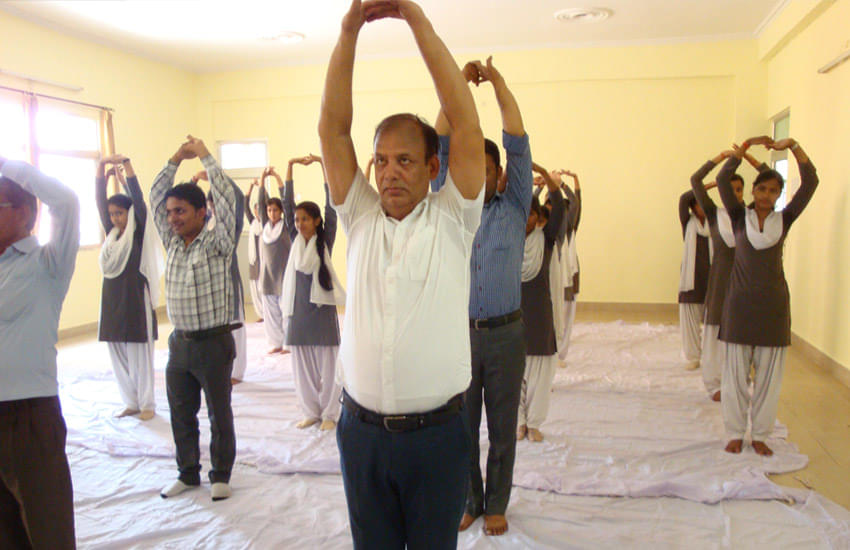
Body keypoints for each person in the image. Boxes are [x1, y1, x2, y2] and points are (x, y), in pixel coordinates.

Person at [319, 1, 485, 547]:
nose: (390, 172)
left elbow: (464, 122)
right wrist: (348, 34)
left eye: (406, 160)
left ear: (433, 167)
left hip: (436, 439)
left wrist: (417, 22)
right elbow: (333, 129)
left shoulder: (454, 216)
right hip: (361, 435)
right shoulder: (360, 216)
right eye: (382, 160)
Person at [432, 55, 533, 537]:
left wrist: (496, 84)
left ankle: (497, 503)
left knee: (502, 427)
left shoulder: (515, 205)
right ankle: (469, 499)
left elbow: (517, 138)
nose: (483, 174)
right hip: (459, 335)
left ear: (498, 175)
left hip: (506, 335)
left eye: (490, 168)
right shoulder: (450, 208)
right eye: (475, 166)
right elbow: (440, 143)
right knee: (461, 428)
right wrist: (453, 93)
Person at [717, 136, 817, 456]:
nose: (766, 195)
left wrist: (793, 146)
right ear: (753, 192)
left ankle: (760, 434)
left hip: (773, 309)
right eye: (762, 189)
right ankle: (735, 431)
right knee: (734, 377)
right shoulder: (737, 217)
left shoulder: (783, 220)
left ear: (778, 195)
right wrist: (743, 149)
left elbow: (811, 182)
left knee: (769, 380)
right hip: (739, 307)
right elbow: (721, 179)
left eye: (774, 190)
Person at [151, 136, 239, 501]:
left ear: (202, 212)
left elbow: (228, 198)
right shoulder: (171, 242)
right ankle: (188, 473)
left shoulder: (219, 242)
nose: (172, 218)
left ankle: (220, 474)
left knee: (219, 414)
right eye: (171, 213)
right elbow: (155, 196)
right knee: (181, 413)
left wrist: (204, 154)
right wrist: (174, 158)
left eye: (180, 212)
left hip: (213, 344)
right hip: (179, 345)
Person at [0, 155, 79, 549]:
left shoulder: (46, 262)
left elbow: (67, 203)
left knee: (48, 533)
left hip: (29, 418)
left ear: (27, 212)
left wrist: (9, 166)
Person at [690, 149, 768, 401]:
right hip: (721, 284)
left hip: (745, 287)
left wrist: (754, 160)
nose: (733, 194)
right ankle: (715, 384)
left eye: (738, 190)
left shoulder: (752, 216)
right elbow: (695, 181)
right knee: (714, 335)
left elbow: (771, 181)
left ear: (745, 193)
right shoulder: (714, 214)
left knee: (740, 339)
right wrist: (724, 158)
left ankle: (738, 380)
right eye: (729, 189)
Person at [95, 155, 163, 420]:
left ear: (130, 213)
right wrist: (100, 169)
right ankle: (131, 401)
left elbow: (138, 198)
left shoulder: (138, 231)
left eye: (119, 213)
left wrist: (127, 166)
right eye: (112, 214)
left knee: (138, 354)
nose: (114, 218)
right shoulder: (111, 236)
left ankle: (147, 404)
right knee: (117, 353)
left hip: (135, 299)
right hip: (111, 301)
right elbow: (99, 202)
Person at [280, 157, 345, 430]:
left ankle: (330, 413)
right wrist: (290, 167)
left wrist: (323, 165)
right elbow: (285, 207)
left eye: (305, 219)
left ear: (317, 221)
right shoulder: (295, 242)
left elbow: (332, 209)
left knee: (329, 368)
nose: (299, 223)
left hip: (321, 313)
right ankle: (311, 411)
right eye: (296, 219)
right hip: (298, 313)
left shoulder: (324, 240)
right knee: (302, 368)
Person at [517, 164, 565, 443]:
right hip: (512, 316)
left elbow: (558, 209)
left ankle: (534, 422)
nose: (526, 219)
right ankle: (519, 422)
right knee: (514, 376)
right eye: (522, 213)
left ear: (537, 217)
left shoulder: (545, 239)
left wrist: (548, 179)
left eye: (531, 214)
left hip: (540, 316)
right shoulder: (505, 241)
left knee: (540, 375)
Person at [198, 170, 247, 385]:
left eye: (221, 202)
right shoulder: (206, 225)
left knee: (234, 324)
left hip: (228, 280)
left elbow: (238, 197)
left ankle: (236, 371)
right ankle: (218, 367)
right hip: (208, 283)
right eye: (214, 203)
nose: (217, 207)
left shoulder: (232, 226)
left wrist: (218, 178)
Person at [258, 166, 292, 354]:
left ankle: (288, 342)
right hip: (268, 277)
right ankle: (276, 342)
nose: (272, 213)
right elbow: (260, 201)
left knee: (286, 310)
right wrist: (262, 179)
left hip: (284, 275)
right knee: (270, 313)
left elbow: (288, 202)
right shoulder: (265, 226)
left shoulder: (286, 226)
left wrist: (278, 178)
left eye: (275, 210)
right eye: (269, 210)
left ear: (280, 212)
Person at [677, 181, 712, 369]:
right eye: (698, 203)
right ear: (693, 207)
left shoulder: (716, 222)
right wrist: (709, 185)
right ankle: (692, 357)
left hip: (712, 278)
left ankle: (710, 356)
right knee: (690, 319)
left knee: (712, 322)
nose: (702, 207)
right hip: (691, 279)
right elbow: (683, 199)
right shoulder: (688, 223)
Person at [244, 178, 267, 321]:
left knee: (265, 290)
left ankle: (268, 314)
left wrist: (262, 188)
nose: (258, 211)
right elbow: (245, 204)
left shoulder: (267, 223)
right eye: (256, 209)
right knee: (255, 289)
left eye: (261, 209)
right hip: (254, 262)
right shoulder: (253, 222)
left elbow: (268, 201)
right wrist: (251, 186)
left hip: (265, 262)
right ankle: (260, 314)